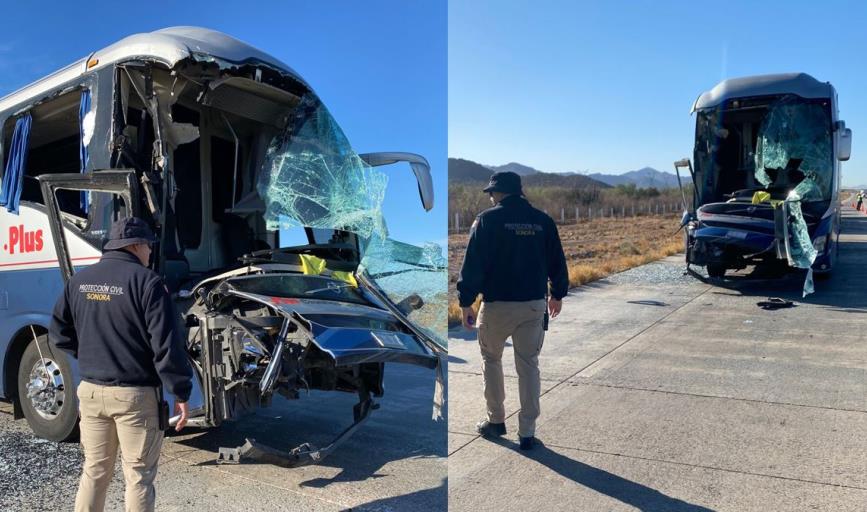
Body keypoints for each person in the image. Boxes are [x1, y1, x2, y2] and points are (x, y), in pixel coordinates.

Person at [49, 217, 193, 512]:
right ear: (136, 245)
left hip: (90, 392)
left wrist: (90, 355)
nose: (150, 253)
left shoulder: (78, 281)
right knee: (138, 476)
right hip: (135, 397)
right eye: (149, 246)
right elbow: (166, 346)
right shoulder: (148, 283)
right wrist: (180, 392)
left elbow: (58, 334)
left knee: (94, 471)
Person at [456, 171, 568, 450]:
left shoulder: (486, 220)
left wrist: (465, 301)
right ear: (519, 192)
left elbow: (473, 264)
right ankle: (527, 432)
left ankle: (495, 421)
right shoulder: (543, 221)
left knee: (491, 360)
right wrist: (557, 294)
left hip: (496, 307)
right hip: (532, 305)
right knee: (528, 365)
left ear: (498, 192)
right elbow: (557, 260)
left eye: (491, 193)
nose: (490, 197)